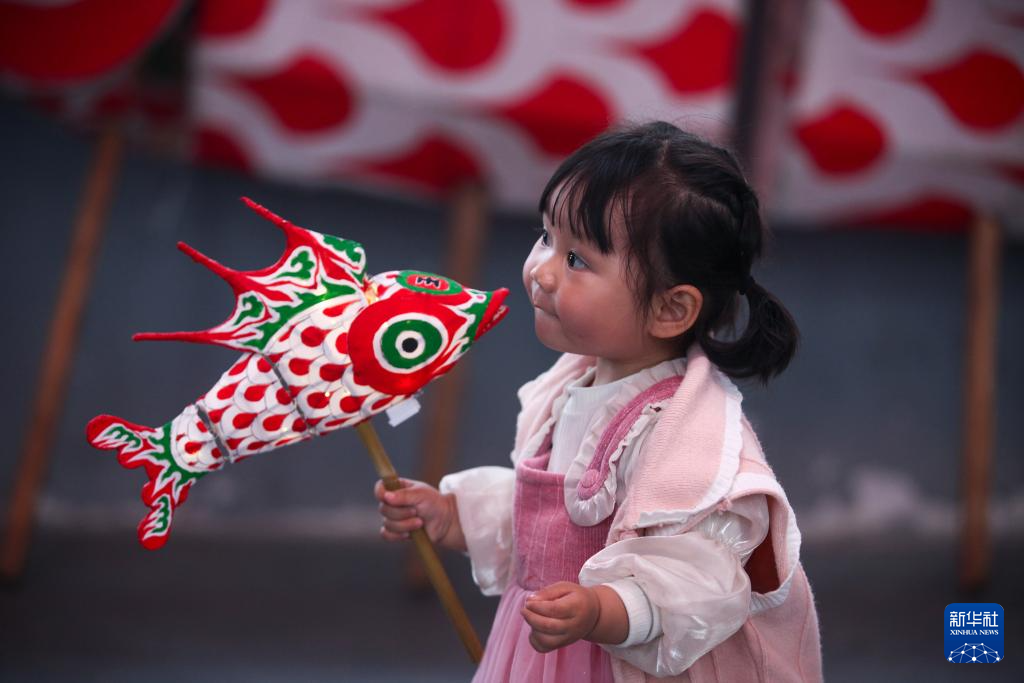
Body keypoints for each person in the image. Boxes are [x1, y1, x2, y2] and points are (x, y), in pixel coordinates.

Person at [374, 121, 823, 682]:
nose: (542, 271)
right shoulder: (571, 385)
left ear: (670, 309)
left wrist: (602, 609)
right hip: (537, 651)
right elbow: (551, 521)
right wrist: (451, 514)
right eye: (546, 237)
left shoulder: (680, 436)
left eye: (577, 260)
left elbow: (702, 580)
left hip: (601, 660)